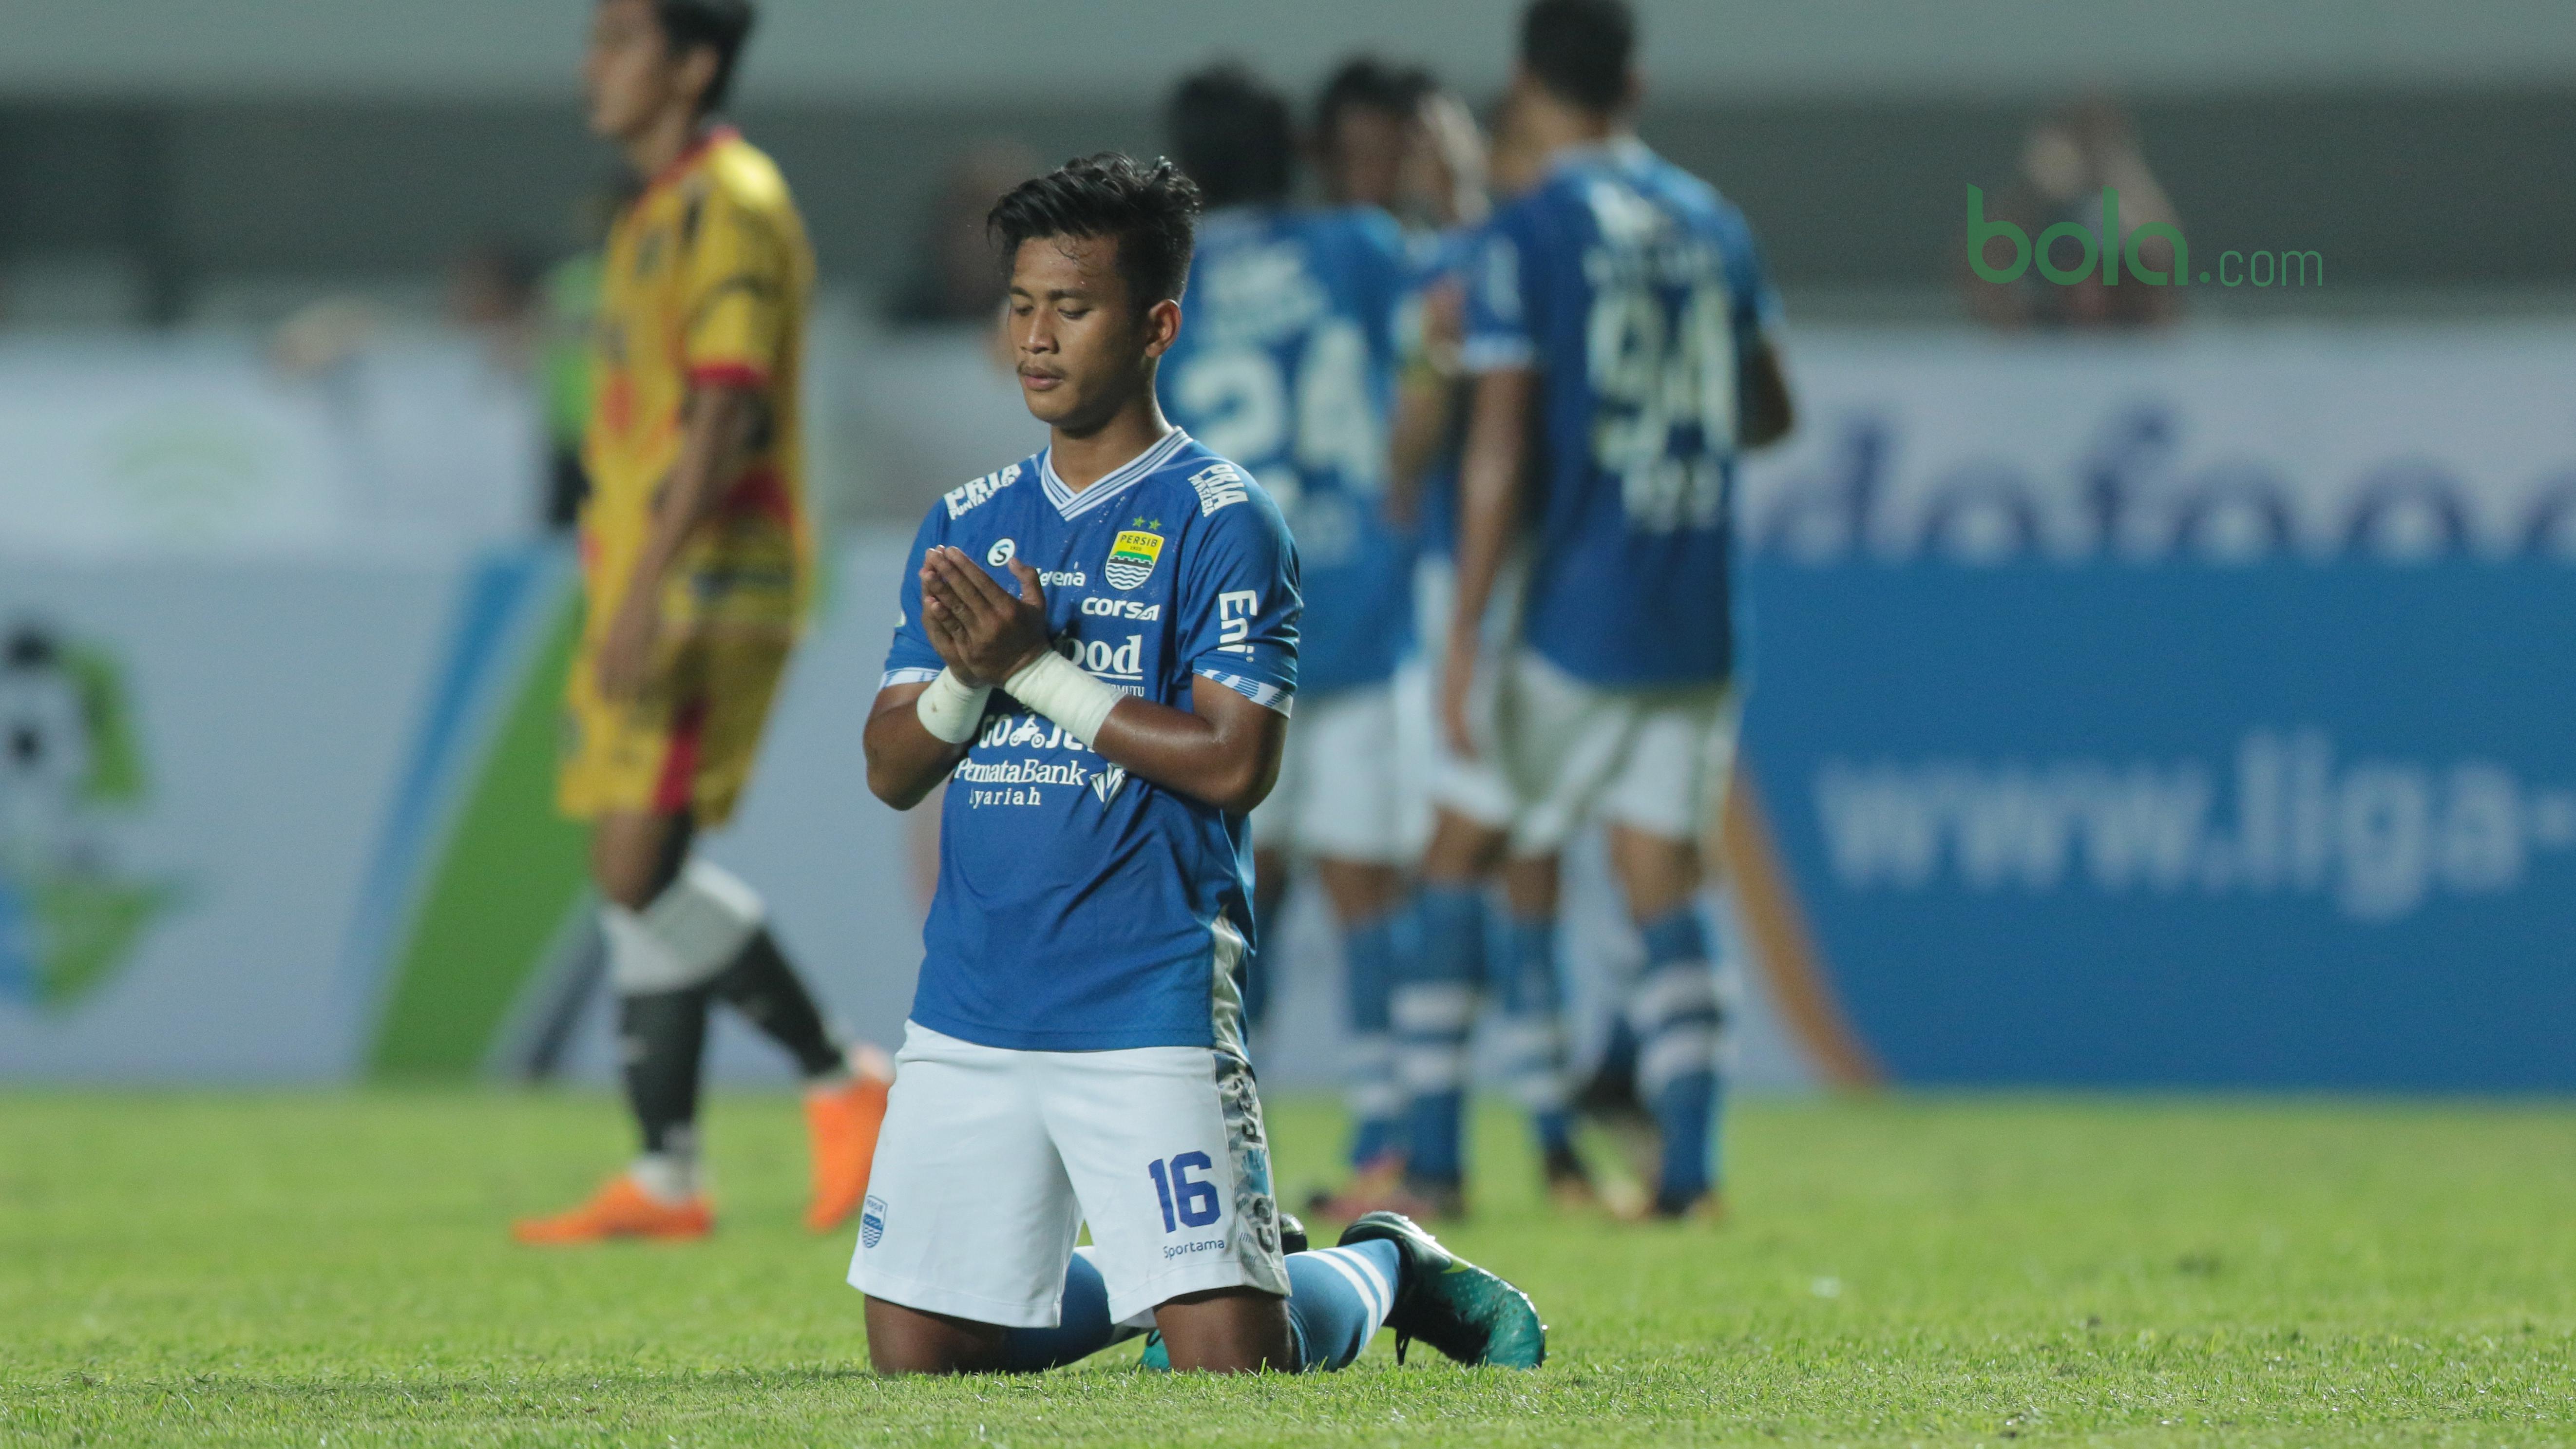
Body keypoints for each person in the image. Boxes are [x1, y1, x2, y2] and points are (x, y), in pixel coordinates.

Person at [851, 152, 1542, 1375]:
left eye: (1073, 307)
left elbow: (1235, 764)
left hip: (1145, 996)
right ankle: (1170, 1277)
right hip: (973, 1001)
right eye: (1021, 305)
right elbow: (892, 767)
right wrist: (968, 677)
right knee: (920, 1359)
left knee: (1234, 1372)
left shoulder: (1223, 517)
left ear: (1158, 326)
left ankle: (1384, 1261)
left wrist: (1032, 669)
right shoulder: (968, 519)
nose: (1036, 338)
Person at [513, 0, 891, 1246]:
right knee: (640, 863)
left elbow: (728, 409)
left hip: (708, 578)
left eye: (619, 41)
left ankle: (844, 1074)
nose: (592, 64)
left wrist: (646, 583)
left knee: (637, 864)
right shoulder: (650, 210)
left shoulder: (731, 198)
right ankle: (666, 1172)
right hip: (650, 569)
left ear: (690, 64)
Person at [1430, 0, 1797, 1221]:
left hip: (1577, 610)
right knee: (1663, 878)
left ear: (1527, 84)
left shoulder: (1528, 229)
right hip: (1696, 609)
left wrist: (1466, 630)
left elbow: (1499, 443)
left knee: (1458, 848)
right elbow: (1772, 411)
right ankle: (1688, 1176)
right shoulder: (1712, 221)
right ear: (1633, 82)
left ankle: (1427, 1151)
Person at [1152, 65, 1418, 1191]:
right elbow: (1434, 364)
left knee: (1237, 895)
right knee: (1367, 888)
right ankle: (1387, 1139)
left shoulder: (1165, 283)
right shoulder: (1361, 246)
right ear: (1297, 151)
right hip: (1358, 601)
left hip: (1229, 622)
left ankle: (1218, 1136)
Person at [1371, 76, 1603, 1220]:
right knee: (1472, 845)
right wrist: (1430, 364)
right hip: (1460, 591)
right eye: (1407, 140)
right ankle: (1444, 1150)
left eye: (1441, 132)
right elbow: (1402, 464)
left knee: (1526, 857)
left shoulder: (1526, 252)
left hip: (1535, 584)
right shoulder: (1423, 278)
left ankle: (1533, 1144)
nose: (1427, 154)